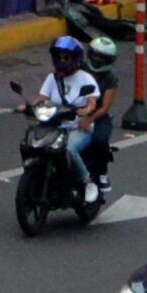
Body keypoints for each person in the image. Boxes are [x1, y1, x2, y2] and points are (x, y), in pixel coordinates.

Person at [42, 34, 111, 201]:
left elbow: (92, 102)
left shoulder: (86, 78)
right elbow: (42, 97)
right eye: (59, 57)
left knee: (68, 149)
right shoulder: (52, 78)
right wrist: (27, 106)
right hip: (56, 125)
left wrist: (86, 111)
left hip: (79, 127)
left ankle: (88, 182)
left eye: (66, 57)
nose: (62, 60)